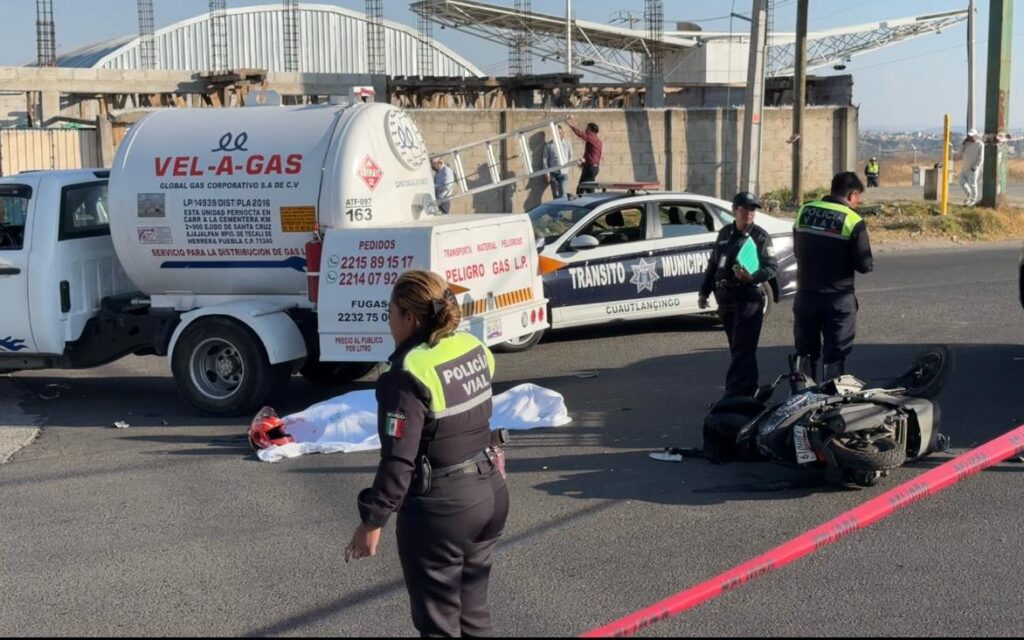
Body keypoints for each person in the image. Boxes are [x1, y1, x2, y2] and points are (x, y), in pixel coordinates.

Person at [345, 270, 509, 637]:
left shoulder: (405, 374)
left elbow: (398, 459)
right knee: (473, 617)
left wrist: (372, 522)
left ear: (410, 318)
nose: (388, 323)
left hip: (443, 510)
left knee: (438, 624)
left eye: (390, 313)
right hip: (490, 493)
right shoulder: (472, 347)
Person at [792, 171, 874, 382]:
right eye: (858, 198)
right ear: (852, 195)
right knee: (835, 353)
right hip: (838, 299)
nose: (858, 202)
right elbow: (864, 265)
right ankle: (830, 402)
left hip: (805, 296)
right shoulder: (853, 220)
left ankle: (802, 399)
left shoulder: (804, 211)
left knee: (805, 352)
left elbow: (797, 249)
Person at [698, 192, 778, 398]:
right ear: (735, 210)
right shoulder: (725, 233)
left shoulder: (760, 237)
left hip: (748, 298)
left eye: (753, 210)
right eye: (745, 209)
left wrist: (750, 277)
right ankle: (749, 391)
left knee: (743, 348)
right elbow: (713, 264)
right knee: (738, 348)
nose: (749, 213)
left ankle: (733, 394)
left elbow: (771, 268)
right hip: (725, 298)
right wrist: (704, 291)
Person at [565, 114, 603, 195]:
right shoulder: (596, 140)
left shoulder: (592, 138)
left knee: (582, 188)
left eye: (587, 128)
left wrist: (569, 123)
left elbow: (580, 133)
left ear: (591, 130)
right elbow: (590, 154)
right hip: (591, 167)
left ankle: (584, 205)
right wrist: (584, 164)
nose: (585, 129)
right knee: (586, 188)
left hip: (590, 168)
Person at [542, 124, 573, 199]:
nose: (558, 135)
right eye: (556, 133)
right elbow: (545, 159)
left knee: (563, 195)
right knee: (555, 196)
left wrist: (567, 169)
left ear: (562, 133)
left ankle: (563, 210)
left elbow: (570, 156)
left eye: (560, 133)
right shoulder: (549, 145)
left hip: (563, 173)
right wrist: (547, 173)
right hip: (553, 174)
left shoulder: (567, 143)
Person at [960, 128, 984, 206]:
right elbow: (960, 153)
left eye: (972, 136)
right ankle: (969, 196)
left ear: (975, 136)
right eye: (969, 136)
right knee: (962, 183)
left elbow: (981, 158)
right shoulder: (966, 144)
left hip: (973, 168)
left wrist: (975, 167)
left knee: (972, 184)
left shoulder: (980, 144)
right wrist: (963, 144)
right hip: (964, 167)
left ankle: (973, 199)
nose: (970, 137)